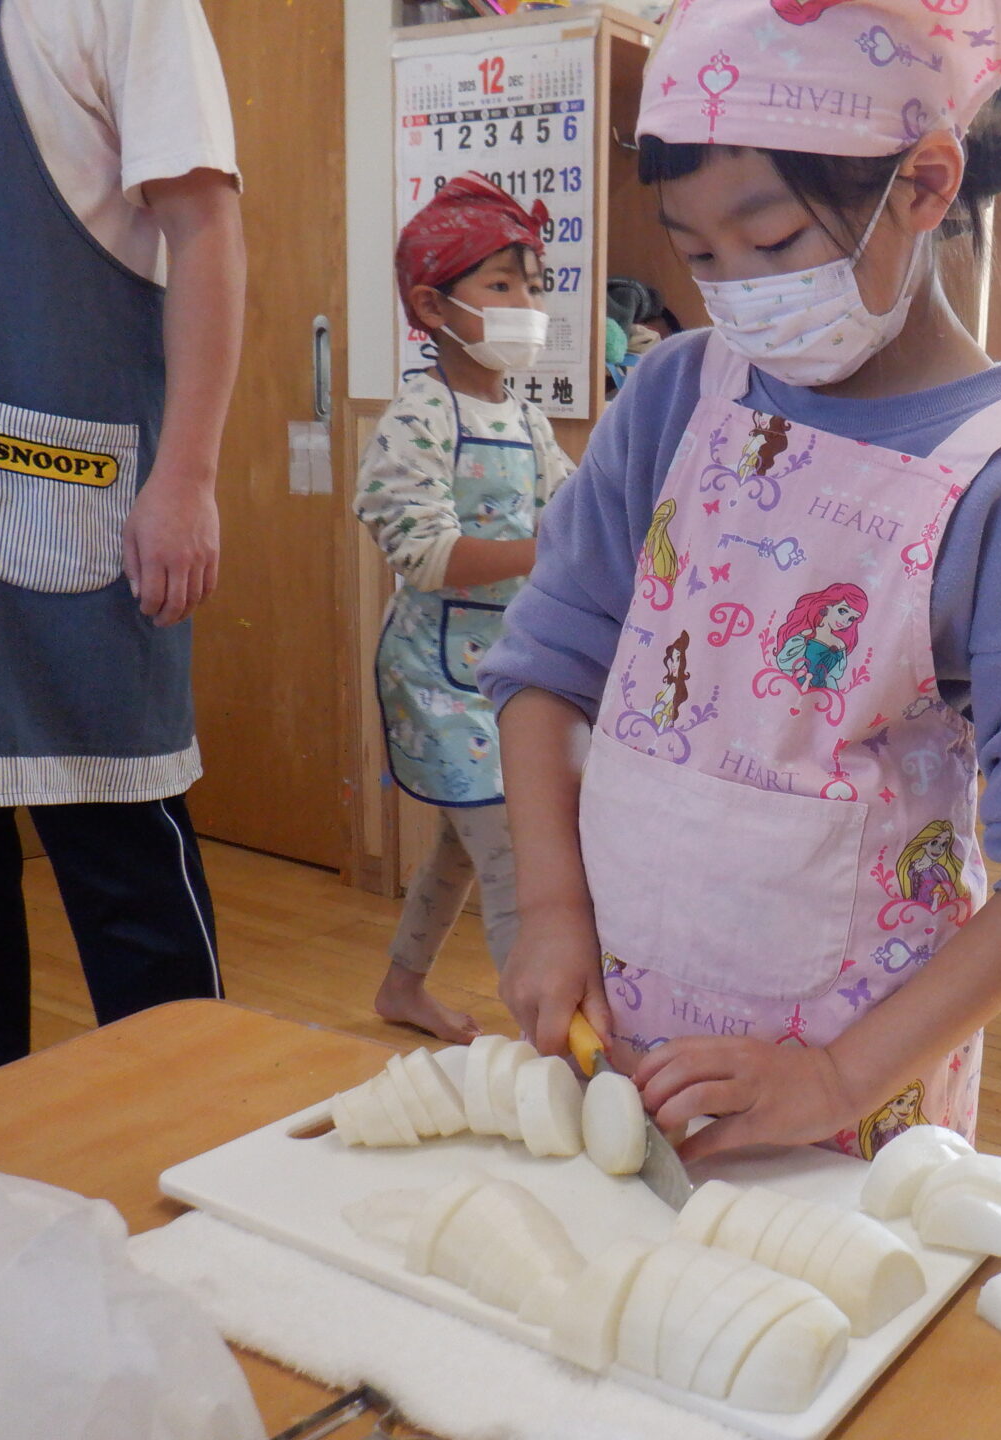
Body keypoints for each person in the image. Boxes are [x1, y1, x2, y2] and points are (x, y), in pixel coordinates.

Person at [477, 0, 1001, 1163]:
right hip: (622, 1048)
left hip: (848, 1104)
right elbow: (544, 661)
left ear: (925, 185)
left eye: (776, 242)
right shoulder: (675, 397)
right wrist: (549, 909)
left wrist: (838, 1077)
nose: (737, 290)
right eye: (698, 255)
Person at [0, 0, 245, 1093]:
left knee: (128, 876)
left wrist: (187, 477)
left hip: (70, 492)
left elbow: (206, 228)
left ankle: (201, 1148)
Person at [355, 174, 573, 1043]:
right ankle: (553, 1049)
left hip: (504, 679)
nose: (527, 306)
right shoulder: (418, 417)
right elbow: (425, 552)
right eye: (502, 285)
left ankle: (400, 988)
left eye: (534, 286)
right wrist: (550, 553)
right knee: (514, 857)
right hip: (435, 681)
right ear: (430, 305)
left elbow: (569, 517)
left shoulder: (526, 420)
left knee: (462, 846)